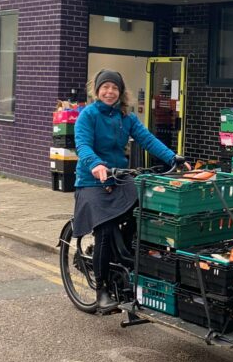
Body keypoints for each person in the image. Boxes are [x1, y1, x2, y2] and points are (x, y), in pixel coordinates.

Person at [73, 69, 185, 312]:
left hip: (119, 177)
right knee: (105, 228)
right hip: (91, 181)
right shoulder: (88, 115)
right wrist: (96, 164)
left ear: (121, 92)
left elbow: (147, 139)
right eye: (106, 87)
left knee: (146, 209)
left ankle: (124, 257)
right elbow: (82, 145)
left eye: (115, 88)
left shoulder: (127, 117)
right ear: (97, 89)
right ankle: (102, 289)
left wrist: (173, 158)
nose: (110, 92)